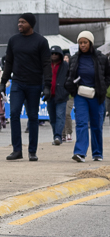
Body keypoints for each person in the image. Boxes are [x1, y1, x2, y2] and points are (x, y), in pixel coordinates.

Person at [1, 13, 51, 162]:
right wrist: (3, 82)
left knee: (33, 117)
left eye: (22, 22)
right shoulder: (13, 40)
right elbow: (8, 62)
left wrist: (47, 85)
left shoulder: (41, 41)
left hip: (34, 84)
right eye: (19, 22)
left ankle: (32, 151)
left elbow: (46, 64)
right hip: (17, 83)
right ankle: (17, 150)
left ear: (30, 24)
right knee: (14, 113)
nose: (19, 24)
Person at [64, 31, 110, 162]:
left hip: (96, 96)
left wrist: (102, 88)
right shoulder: (74, 59)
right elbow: (68, 76)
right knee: (81, 123)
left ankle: (97, 153)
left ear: (90, 43)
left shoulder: (101, 58)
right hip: (80, 96)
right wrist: (72, 88)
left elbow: (108, 76)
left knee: (96, 124)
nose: (82, 45)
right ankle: (80, 153)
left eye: (85, 42)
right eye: (80, 43)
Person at [47, 46, 70, 146]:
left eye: (56, 53)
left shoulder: (65, 65)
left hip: (61, 95)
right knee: (52, 118)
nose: (54, 55)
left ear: (60, 54)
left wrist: (66, 90)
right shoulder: (47, 65)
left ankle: (58, 136)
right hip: (49, 95)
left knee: (60, 116)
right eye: (52, 53)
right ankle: (56, 136)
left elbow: (70, 78)